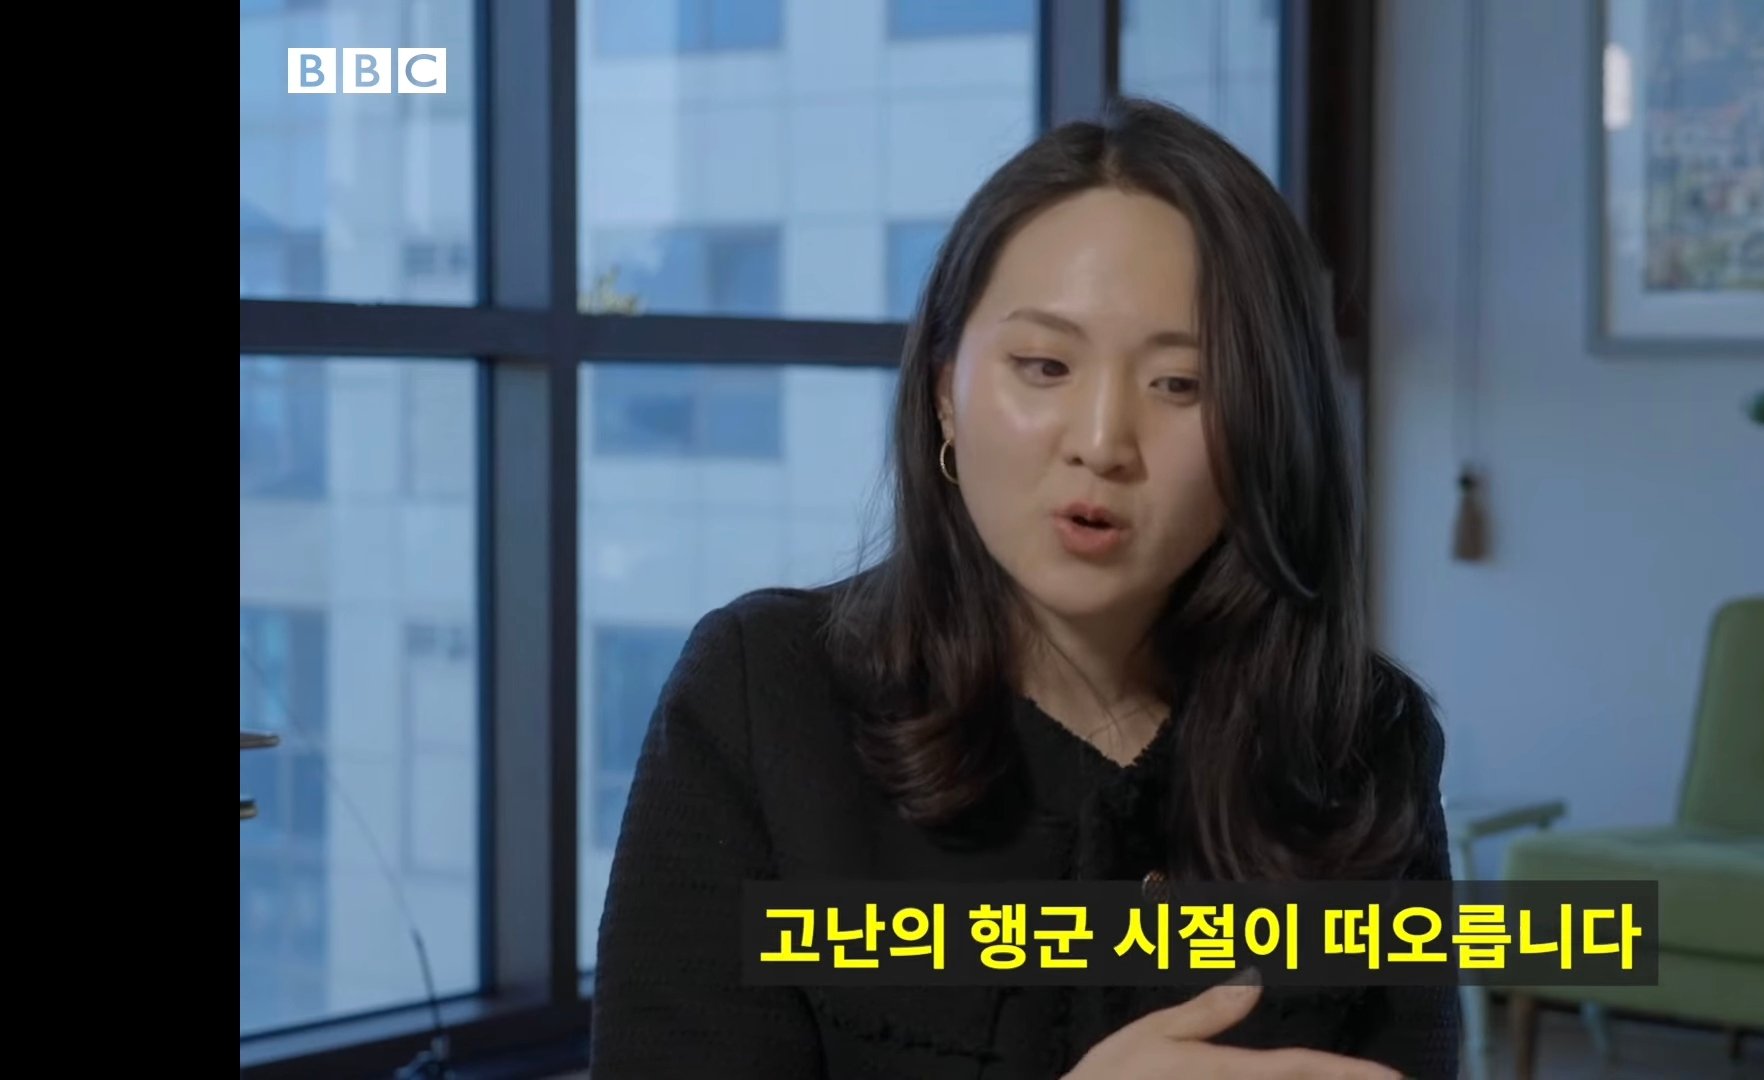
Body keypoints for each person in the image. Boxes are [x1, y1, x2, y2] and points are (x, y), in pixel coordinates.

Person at [590, 97, 1460, 1079]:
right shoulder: (761, 695)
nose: (1102, 442)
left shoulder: (1363, 740)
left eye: (1180, 384)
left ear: (1268, 429)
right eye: (1043, 366)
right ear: (943, 393)